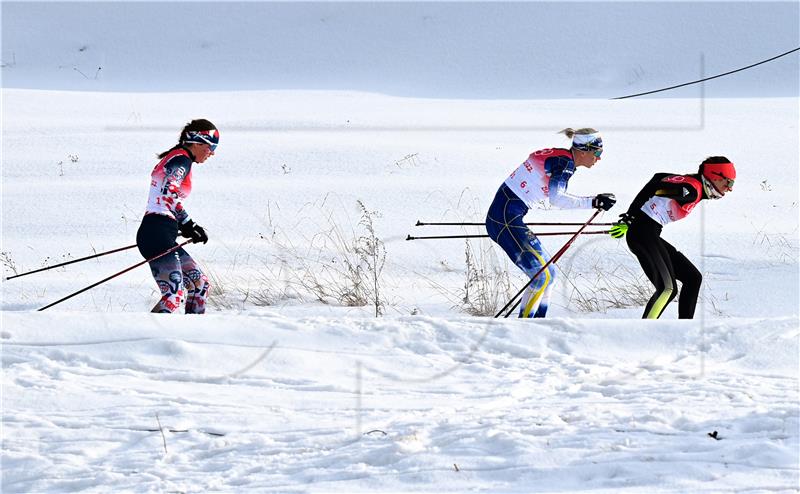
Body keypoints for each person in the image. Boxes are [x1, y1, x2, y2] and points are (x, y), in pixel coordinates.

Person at [486, 128, 616, 318]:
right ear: (583, 150)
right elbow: (557, 199)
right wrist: (594, 201)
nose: (599, 158)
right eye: (597, 152)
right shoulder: (565, 164)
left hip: (505, 217)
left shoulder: (560, 156)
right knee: (542, 277)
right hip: (504, 220)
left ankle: (538, 325)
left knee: (550, 275)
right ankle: (522, 329)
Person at [609, 156, 736, 319]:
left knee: (693, 278)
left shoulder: (691, 185)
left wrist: (631, 217)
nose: (729, 188)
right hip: (642, 233)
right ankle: (644, 331)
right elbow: (655, 187)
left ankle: (684, 327)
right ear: (715, 176)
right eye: (728, 182)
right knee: (667, 289)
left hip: (649, 233)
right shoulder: (691, 191)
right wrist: (629, 217)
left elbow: (658, 177)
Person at [136, 119, 218, 313]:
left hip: (163, 231)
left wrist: (181, 226)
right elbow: (168, 194)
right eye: (210, 147)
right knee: (174, 294)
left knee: (200, 285)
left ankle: (191, 335)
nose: (212, 153)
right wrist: (189, 224)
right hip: (156, 233)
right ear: (198, 143)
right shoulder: (181, 160)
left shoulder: (178, 158)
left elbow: (165, 198)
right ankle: (145, 336)